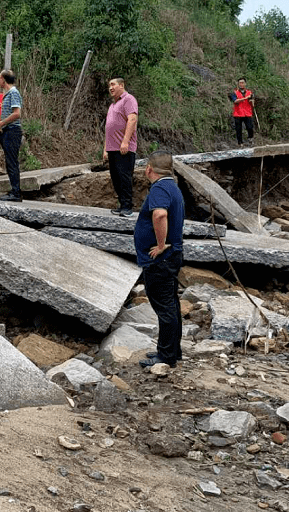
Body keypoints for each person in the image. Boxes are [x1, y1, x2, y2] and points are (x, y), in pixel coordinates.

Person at [135, 151, 185, 369]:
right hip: (171, 257)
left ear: (149, 169)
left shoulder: (160, 188)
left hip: (161, 259)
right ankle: (173, 350)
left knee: (164, 306)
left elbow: (160, 215)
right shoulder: (173, 186)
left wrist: (161, 244)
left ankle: (166, 356)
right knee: (171, 303)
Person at [103, 77, 139, 217]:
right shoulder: (113, 105)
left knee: (124, 177)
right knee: (116, 178)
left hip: (124, 148)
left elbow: (132, 119)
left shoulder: (128, 99)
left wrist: (125, 141)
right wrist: (105, 148)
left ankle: (127, 207)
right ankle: (122, 204)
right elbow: (108, 128)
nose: (110, 88)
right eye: (109, 86)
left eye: (113, 85)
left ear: (121, 85)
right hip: (112, 148)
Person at [0, 69, 22, 202]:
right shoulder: (8, 94)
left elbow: (17, 113)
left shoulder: (13, 92)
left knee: (12, 162)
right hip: (7, 130)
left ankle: (16, 193)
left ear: (3, 79)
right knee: (10, 162)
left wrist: (1, 123)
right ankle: (14, 190)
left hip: (12, 131)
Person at [231, 77, 255, 147]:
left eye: (242, 83)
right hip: (238, 113)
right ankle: (240, 143)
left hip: (247, 113)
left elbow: (252, 103)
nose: (241, 84)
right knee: (238, 129)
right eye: (240, 83)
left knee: (250, 127)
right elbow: (235, 101)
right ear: (238, 84)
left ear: (245, 83)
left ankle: (250, 139)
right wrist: (246, 98)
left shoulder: (249, 92)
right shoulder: (234, 92)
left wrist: (252, 100)